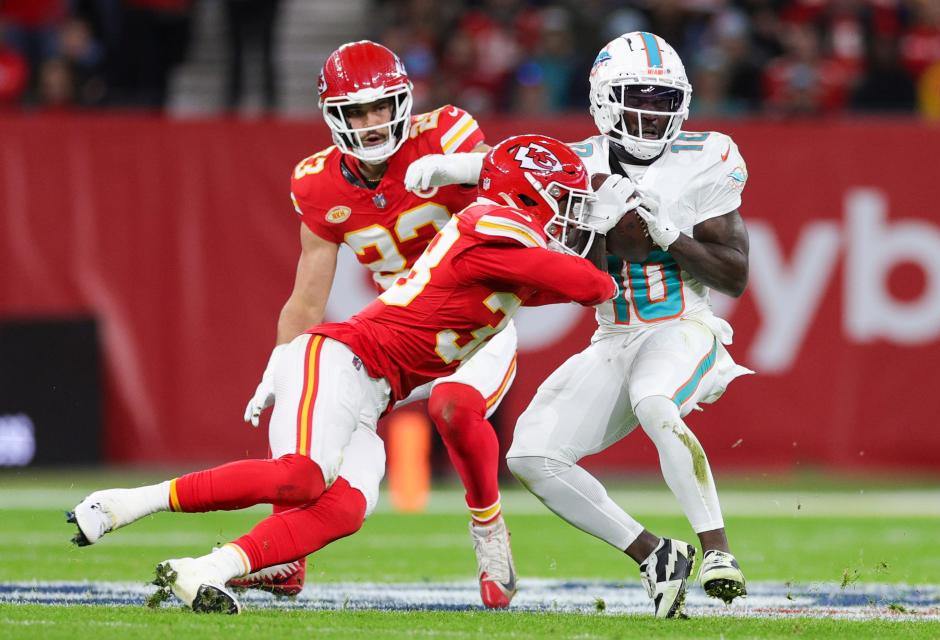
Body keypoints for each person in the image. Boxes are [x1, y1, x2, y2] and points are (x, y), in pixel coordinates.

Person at [67, 134, 637, 615]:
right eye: (566, 199)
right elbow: (592, 285)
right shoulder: (491, 231)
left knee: (342, 509)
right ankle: (123, 503)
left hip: (373, 392)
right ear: (527, 194)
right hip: (338, 359)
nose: (574, 211)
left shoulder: (505, 244)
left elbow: (565, 286)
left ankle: (206, 568)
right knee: (300, 477)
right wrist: (612, 230)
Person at [407, 31, 752, 619]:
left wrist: (668, 234)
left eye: (662, 101)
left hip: (683, 325)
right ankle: (654, 555)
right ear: (602, 100)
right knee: (531, 456)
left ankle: (717, 550)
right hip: (614, 335)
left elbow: (735, 276)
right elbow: (505, 164)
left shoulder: (707, 157)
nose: (649, 114)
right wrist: (442, 169)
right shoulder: (578, 162)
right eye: (636, 99)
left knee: (653, 401)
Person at [241, 40, 522, 607]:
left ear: (404, 100)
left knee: (456, 407)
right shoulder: (318, 182)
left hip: (474, 324)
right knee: (307, 399)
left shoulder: (445, 133)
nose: (371, 123)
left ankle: (489, 529)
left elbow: (520, 191)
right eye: (355, 111)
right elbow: (306, 298)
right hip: (395, 332)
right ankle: (283, 552)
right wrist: (282, 363)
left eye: (380, 106)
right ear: (332, 117)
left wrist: (468, 168)